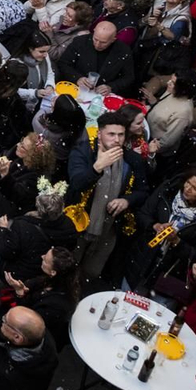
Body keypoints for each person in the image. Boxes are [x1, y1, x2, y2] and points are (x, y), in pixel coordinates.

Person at [66, 112, 150, 277]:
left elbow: (143, 191)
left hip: (108, 228)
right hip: (78, 224)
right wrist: (96, 168)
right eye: (111, 134)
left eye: (120, 135)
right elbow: (77, 183)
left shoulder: (132, 160)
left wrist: (127, 200)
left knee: (91, 272)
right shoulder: (83, 152)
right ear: (99, 134)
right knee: (68, 268)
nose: (116, 139)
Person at [126, 169, 196, 292]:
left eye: (195, 189)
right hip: (141, 260)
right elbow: (143, 214)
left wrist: (177, 242)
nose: (188, 189)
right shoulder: (168, 190)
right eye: (188, 183)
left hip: (171, 276)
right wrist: (155, 226)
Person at [57, 22, 136, 96]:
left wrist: (111, 87)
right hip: (75, 90)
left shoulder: (123, 51)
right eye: (95, 39)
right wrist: (77, 78)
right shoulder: (80, 42)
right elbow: (63, 63)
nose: (97, 44)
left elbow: (128, 77)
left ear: (113, 39)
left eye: (103, 42)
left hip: (101, 96)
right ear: (94, 32)